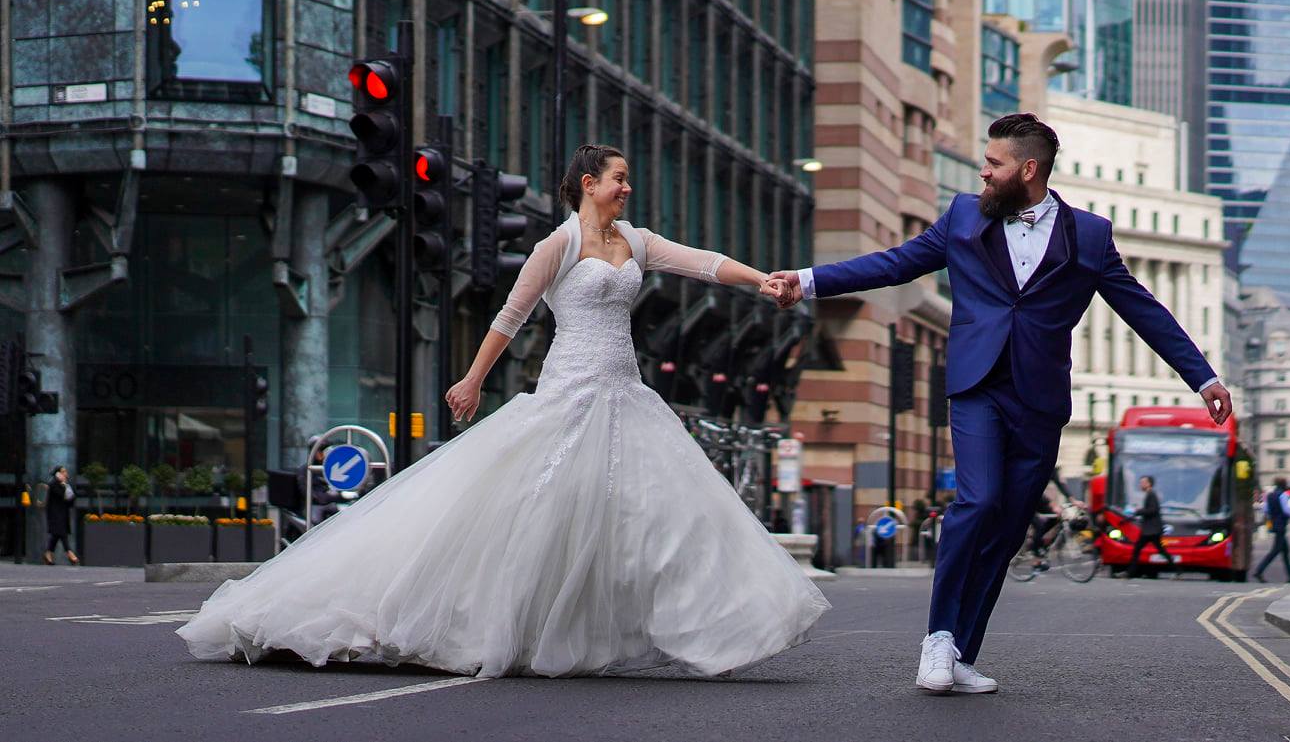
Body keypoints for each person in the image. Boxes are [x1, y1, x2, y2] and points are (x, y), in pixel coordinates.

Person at [179, 145, 829, 677]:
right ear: (587, 182)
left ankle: (696, 623)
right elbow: (510, 317)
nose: (628, 187)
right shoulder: (559, 245)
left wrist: (764, 279)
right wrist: (470, 380)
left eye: (628, 178)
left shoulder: (636, 240)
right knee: (536, 513)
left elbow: (705, 264)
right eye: (619, 178)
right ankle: (491, 621)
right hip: (568, 393)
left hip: (626, 396)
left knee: (659, 513)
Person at [768, 113, 1231, 695]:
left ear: (1028, 169)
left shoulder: (1089, 235)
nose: (983, 173)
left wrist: (1202, 377)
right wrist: (807, 281)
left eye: (994, 164)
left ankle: (961, 651)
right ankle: (937, 639)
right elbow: (894, 263)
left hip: (1038, 400)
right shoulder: (964, 215)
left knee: (1008, 526)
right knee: (978, 499)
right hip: (977, 384)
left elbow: (1140, 307)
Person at [1121, 474, 1174, 579]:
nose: (1141, 484)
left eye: (1143, 482)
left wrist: (1138, 511)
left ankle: (1130, 573)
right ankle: (1177, 570)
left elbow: (1153, 510)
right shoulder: (1150, 494)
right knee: (1159, 550)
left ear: (1149, 484)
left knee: (1138, 549)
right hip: (1151, 529)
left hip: (1151, 530)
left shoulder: (1151, 495)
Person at [1252, 476, 1290, 583]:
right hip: (1281, 525)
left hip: (1274, 524)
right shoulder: (1283, 495)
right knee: (1275, 551)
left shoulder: (1270, 495)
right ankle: (1259, 571)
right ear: (1283, 485)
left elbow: (1266, 509)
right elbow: (1286, 510)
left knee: (1285, 552)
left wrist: (1272, 517)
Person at [43, 465, 77, 566]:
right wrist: (64, 485)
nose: (66, 474)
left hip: (63, 513)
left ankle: (48, 553)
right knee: (62, 533)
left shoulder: (65, 484)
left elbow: (71, 499)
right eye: (63, 472)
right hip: (55, 513)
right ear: (58, 473)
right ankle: (70, 553)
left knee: (56, 535)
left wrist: (65, 485)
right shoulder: (53, 484)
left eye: (65, 472)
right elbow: (61, 495)